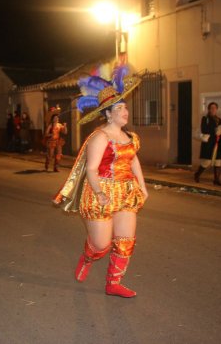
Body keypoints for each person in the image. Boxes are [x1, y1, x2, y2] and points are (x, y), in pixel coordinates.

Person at [53, 79, 147, 298]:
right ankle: (88, 256)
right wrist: (99, 193)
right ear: (108, 114)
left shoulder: (130, 137)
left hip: (125, 191)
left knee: (125, 241)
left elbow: (133, 161)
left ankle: (113, 283)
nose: (125, 111)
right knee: (101, 244)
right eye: (119, 108)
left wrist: (142, 185)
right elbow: (92, 170)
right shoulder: (100, 137)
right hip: (101, 192)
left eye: (125, 107)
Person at [193, 102, 221, 186]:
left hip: (217, 143)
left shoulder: (219, 119)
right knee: (207, 161)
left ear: (217, 109)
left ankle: (216, 180)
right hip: (209, 143)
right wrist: (215, 131)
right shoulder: (205, 118)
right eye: (212, 108)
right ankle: (197, 174)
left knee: (218, 162)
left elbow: (220, 129)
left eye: (215, 108)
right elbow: (204, 129)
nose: (213, 109)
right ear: (209, 109)